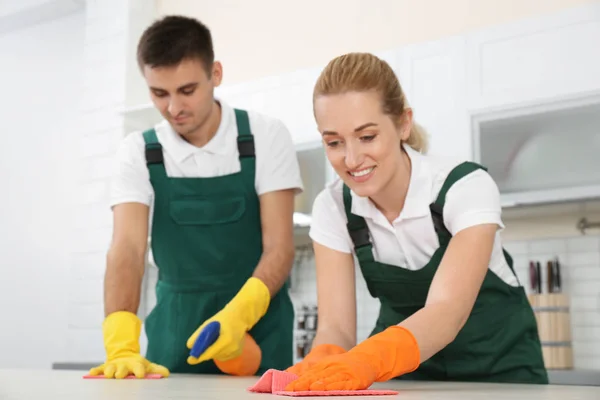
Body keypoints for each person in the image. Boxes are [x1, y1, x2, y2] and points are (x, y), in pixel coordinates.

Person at [284, 52, 548, 392]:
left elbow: (446, 310)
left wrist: (368, 360)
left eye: (367, 137)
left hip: (501, 376)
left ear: (403, 123)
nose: (351, 159)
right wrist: (324, 360)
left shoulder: (463, 187)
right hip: (406, 382)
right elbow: (336, 328)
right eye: (334, 142)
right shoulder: (333, 207)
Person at [88, 15, 303, 379]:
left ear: (215, 74)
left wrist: (240, 315)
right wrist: (121, 341)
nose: (174, 108)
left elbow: (280, 247)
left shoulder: (265, 136)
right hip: (175, 333)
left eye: (187, 90)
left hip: (258, 330)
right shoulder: (139, 151)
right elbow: (127, 247)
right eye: (159, 93)